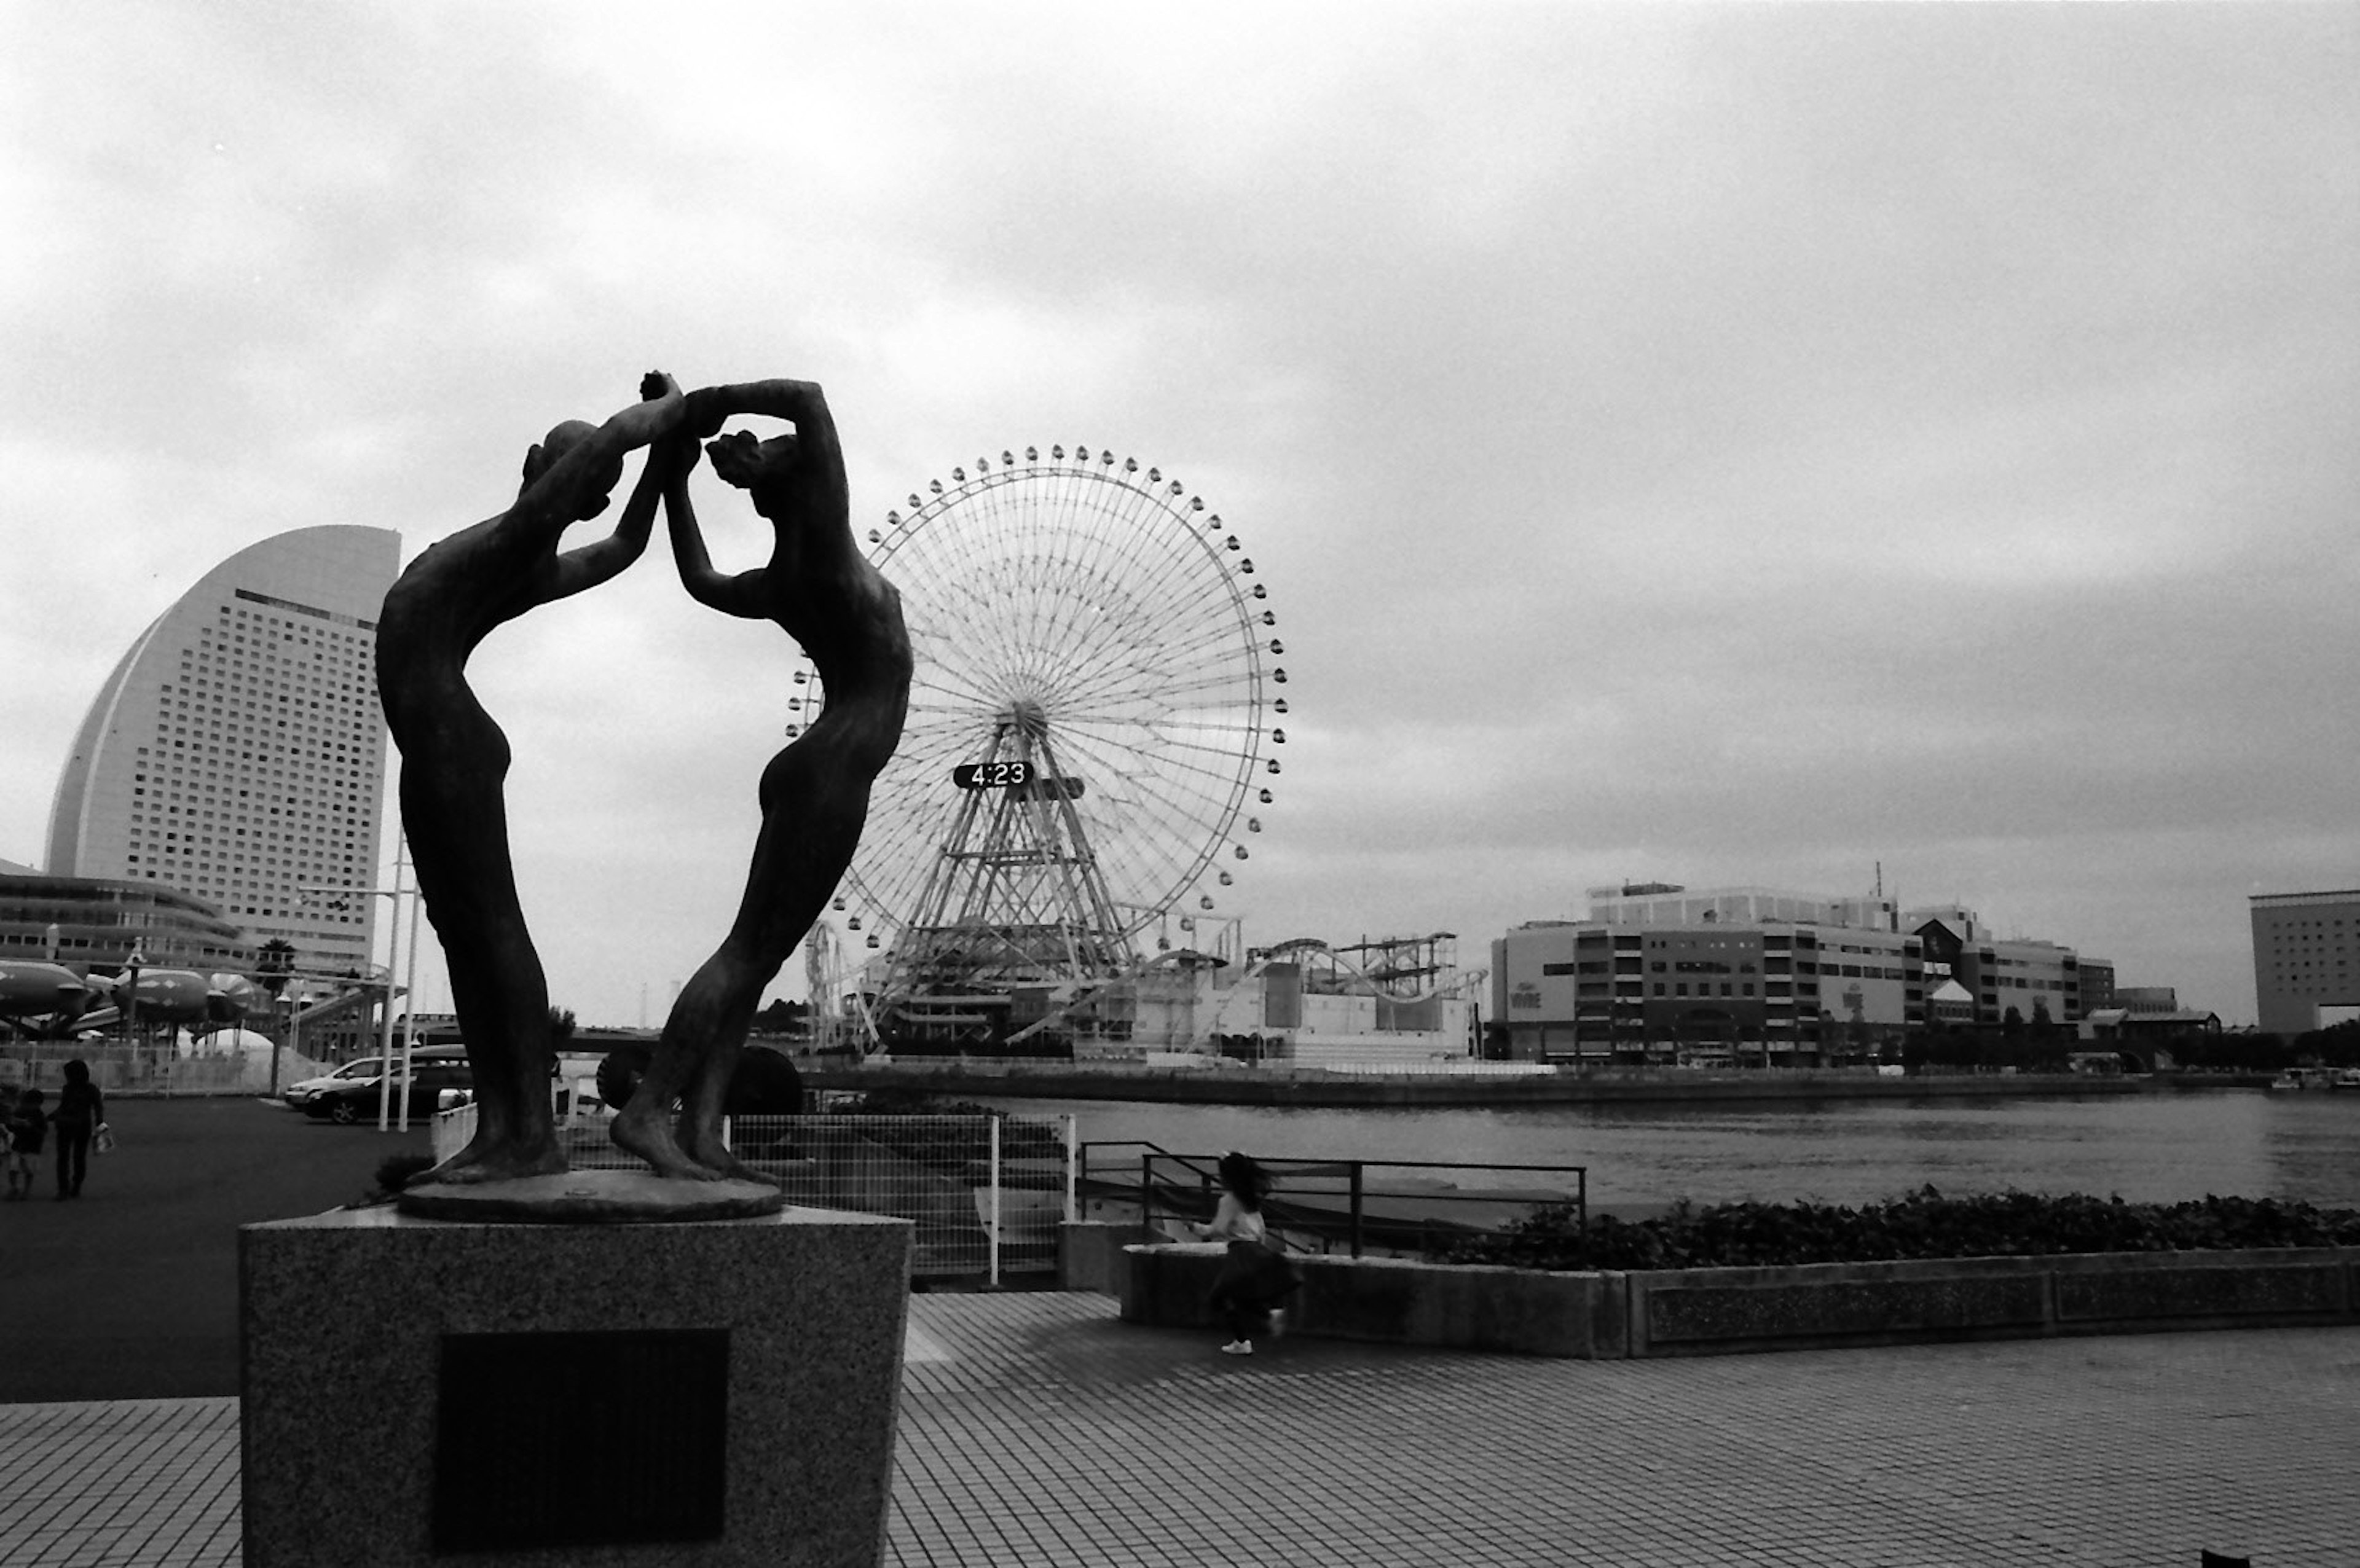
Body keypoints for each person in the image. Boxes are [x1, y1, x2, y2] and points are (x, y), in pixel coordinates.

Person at [376, 372, 691, 1185]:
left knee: (492, 932)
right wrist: (657, 461)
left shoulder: (521, 540)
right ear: (535, 465)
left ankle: (527, 1137)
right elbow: (623, 547)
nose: (578, 484)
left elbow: (608, 508)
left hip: (453, 743)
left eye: (588, 478)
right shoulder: (519, 559)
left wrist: (666, 421)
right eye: (574, 470)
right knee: (464, 939)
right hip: (436, 748)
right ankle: (502, 1129)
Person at [612, 380, 912, 1182]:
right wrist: (697, 408)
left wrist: (676, 472)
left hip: (808, 764)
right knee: (746, 954)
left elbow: (702, 579)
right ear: (798, 483)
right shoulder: (826, 546)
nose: (804, 449)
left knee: (758, 962)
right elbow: (810, 399)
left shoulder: (783, 579)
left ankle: (705, 1128)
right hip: (835, 767)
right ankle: (649, 1111)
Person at [1193, 1150, 1299, 1355]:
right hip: (1256, 1249)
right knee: (1240, 1296)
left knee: (1220, 1297)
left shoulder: (1228, 1200)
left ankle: (1247, 1337)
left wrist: (1197, 1228)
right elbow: (1260, 1229)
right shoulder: (1250, 1199)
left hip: (1240, 1252)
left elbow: (1219, 1230)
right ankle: (1263, 1321)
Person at [49, 1058, 104, 1199]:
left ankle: (63, 1188)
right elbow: (98, 1107)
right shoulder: (92, 1089)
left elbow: (63, 1107)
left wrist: (51, 1117)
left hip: (65, 1124)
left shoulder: (68, 1088)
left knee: (63, 1157)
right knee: (79, 1157)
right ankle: (76, 1186)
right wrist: (100, 1123)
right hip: (82, 1125)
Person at [8, 1087, 47, 1201]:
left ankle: (26, 1190)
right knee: (13, 1168)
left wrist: (31, 1127)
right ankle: (14, 1187)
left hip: (32, 1147)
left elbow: (43, 1132)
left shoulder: (40, 1116)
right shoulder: (20, 1112)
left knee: (28, 1171)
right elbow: (11, 1126)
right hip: (19, 1145)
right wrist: (14, 1124)